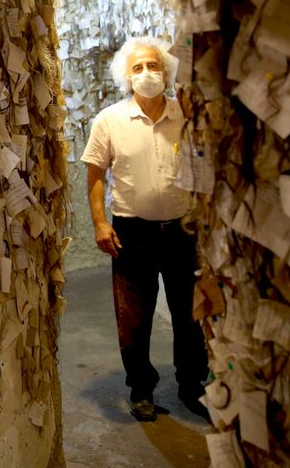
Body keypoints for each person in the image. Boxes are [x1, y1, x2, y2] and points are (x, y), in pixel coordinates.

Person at [81, 36, 209, 422]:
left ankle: (192, 385)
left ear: (167, 73)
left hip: (182, 231)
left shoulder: (185, 115)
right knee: (134, 315)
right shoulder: (110, 120)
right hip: (131, 232)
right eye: (137, 68)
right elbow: (95, 174)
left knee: (190, 313)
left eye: (153, 66)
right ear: (126, 77)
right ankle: (141, 387)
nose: (147, 74)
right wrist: (101, 223)